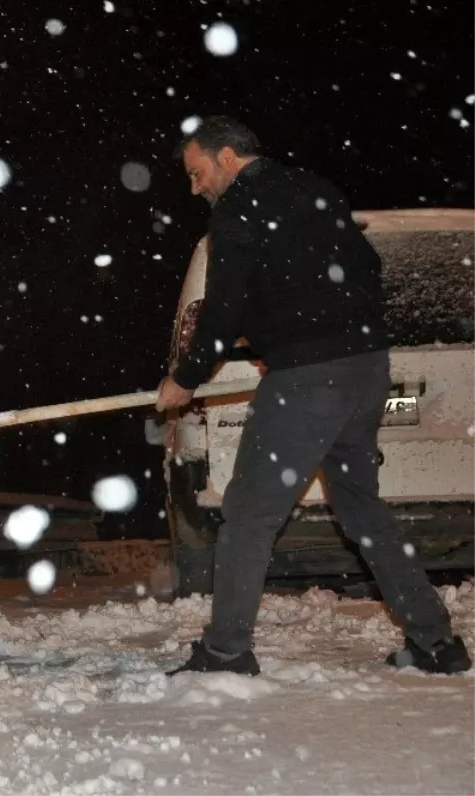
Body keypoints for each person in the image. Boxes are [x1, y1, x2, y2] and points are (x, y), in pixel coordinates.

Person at [156, 115, 470, 677]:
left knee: (249, 514)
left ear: (227, 157)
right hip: (367, 370)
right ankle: (436, 643)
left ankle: (226, 651)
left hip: (307, 382)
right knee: (362, 509)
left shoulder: (235, 213)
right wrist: (300, 332)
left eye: (197, 172)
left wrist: (185, 378)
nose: (195, 186)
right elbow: (366, 268)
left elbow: (222, 310)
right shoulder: (315, 188)